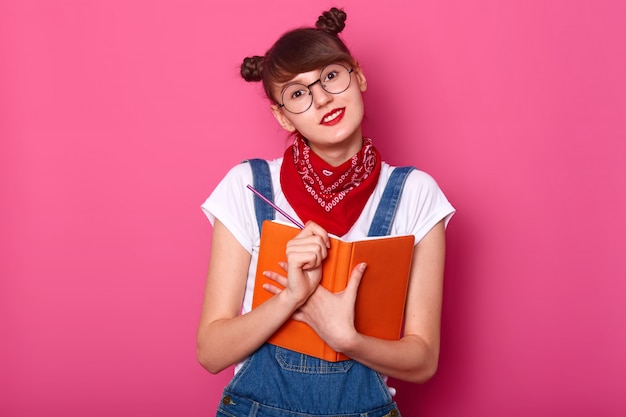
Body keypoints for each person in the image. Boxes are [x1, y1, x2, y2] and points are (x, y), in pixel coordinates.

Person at [197, 7, 455, 417]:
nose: (322, 99)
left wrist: (346, 338)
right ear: (281, 115)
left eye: (331, 76)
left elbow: (423, 361)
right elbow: (211, 353)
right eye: (298, 93)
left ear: (358, 75)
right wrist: (291, 297)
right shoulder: (248, 186)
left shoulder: (414, 193)